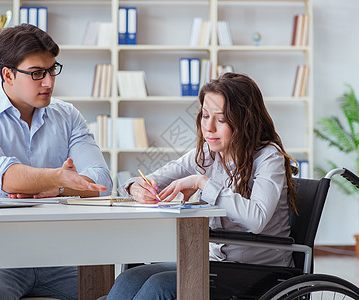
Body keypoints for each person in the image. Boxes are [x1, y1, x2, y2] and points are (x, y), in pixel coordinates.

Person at [0, 24, 112, 300]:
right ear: (7, 74)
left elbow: (102, 180)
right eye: (36, 73)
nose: (48, 82)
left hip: (58, 254)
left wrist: (58, 189)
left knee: (112, 289)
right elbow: (2, 176)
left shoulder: (68, 116)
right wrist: (60, 178)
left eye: (52, 70)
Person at [106, 72, 298, 299]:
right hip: (215, 265)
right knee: (130, 278)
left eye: (221, 119)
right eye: (205, 116)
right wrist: (135, 187)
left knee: (160, 285)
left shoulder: (268, 157)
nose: (209, 127)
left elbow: (256, 219)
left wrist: (202, 182)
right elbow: (151, 179)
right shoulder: (207, 154)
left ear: (245, 120)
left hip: (259, 273)